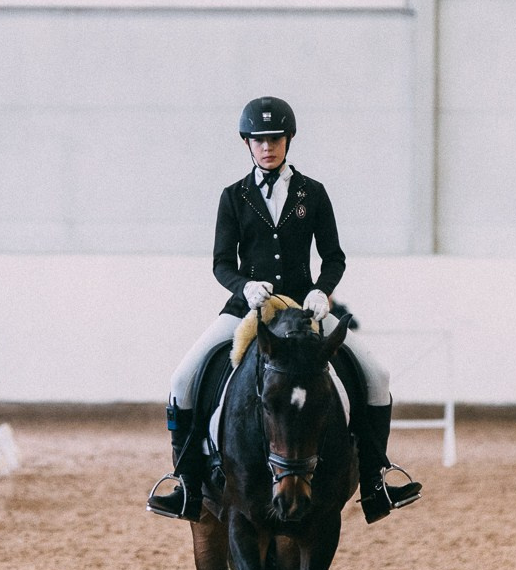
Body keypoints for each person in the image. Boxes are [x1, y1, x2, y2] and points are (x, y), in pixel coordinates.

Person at [146, 96, 421, 524]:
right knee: (182, 378)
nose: (267, 147)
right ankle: (186, 484)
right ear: (247, 144)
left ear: (288, 140)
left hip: (302, 306)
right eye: (259, 140)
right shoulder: (233, 197)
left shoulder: (313, 193)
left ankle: (375, 481)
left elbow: (334, 257)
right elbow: (221, 262)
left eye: (275, 139)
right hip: (247, 307)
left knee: (377, 375)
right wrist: (244, 285)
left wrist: (322, 292)